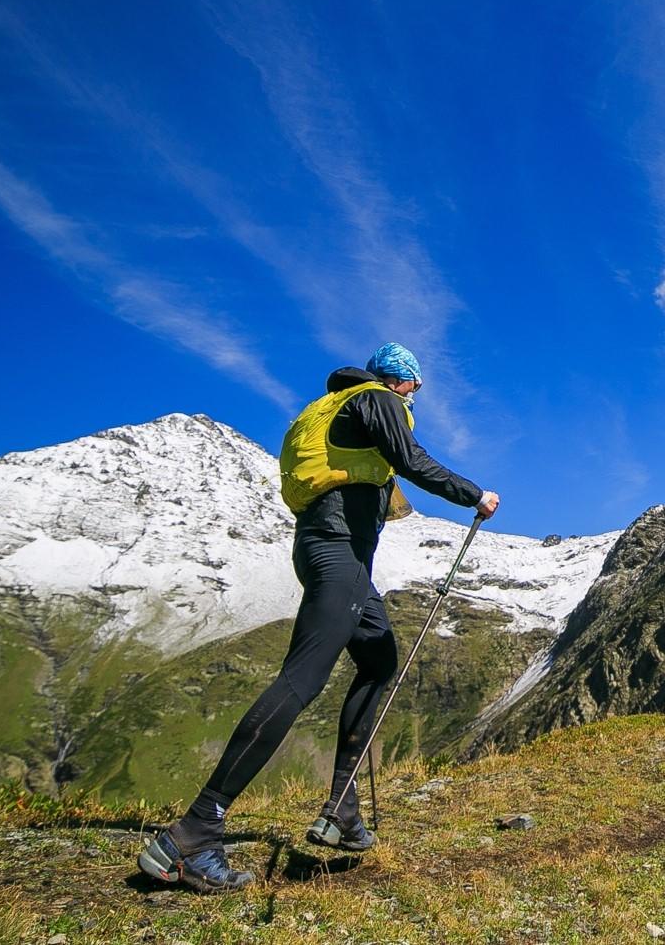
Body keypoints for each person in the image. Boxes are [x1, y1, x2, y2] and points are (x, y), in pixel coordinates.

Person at [138, 343, 500, 894]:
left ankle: (343, 810)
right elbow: (408, 458)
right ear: (404, 381)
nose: (416, 396)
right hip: (340, 550)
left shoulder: (326, 407)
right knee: (302, 678)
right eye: (416, 387)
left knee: (379, 661)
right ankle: (192, 833)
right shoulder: (379, 399)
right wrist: (474, 494)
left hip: (325, 547)